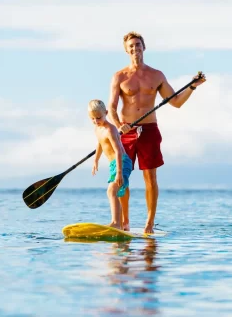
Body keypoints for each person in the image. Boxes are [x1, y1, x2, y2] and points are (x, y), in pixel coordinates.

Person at [108, 31, 206, 234]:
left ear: (144, 47)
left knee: (150, 177)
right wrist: (118, 125)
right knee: (122, 177)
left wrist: (192, 87)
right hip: (126, 131)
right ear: (126, 50)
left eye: (138, 44)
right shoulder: (119, 76)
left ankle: (149, 224)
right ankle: (124, 222)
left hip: (149, 131)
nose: (135, 49)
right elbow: (111, 107)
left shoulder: (157, 75)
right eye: (131, 46)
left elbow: (176, 102)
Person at [88, 99, 133, 230]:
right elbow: (100, 144)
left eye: (98, 117)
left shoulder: (111, 130)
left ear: (106, 113)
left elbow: (118, 150)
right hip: (114, 164)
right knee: (116, 191)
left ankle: (116, 222)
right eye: (92, 118)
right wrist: (96, 160)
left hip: (122, 162)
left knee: (111, 190)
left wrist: (119, 172)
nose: (96, 121)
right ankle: (122, 224)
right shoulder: (97, 129)